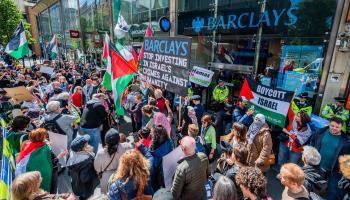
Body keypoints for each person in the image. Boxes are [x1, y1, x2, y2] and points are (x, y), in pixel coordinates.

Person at [310, 116, 350, 200]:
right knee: (315, 186)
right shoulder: (320, 132)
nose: (334, 128)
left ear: (341, 127)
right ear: (329, 124)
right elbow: (313, 142)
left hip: (334, 171)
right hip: (318, 166)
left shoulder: (346, 140)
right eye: (332, 126)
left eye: (337, 127)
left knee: (332, 191)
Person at [16, 128, 58, 193]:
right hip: (32, 181)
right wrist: (60, 156)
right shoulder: (43, 150)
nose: (46, 137)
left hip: (22, 176)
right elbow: (47, 168)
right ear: (41, 138)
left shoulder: (27, 144)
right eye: (44, 136)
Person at [94, 128, 133, 194]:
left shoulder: (100, 154)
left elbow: (97, 168)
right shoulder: (128, 147)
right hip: (123, 175)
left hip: (107, 180)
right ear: (118, 139)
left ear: (106, 141)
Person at [67, 135, 99, 200]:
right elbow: (84, 178)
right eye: (86, 144)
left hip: (77, 185)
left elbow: (69, 172)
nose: (88, 144)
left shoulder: (72, 155)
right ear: (81, 149)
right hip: (86, 188)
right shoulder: (86, 161)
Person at [11, 171, 76, 200]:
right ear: (31, 190)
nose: (41, 178)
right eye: (37, 180)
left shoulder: (35, 196)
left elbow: (53, 196)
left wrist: (64, 195)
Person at [150, 125, 174, 190]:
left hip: (160, 170)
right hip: (169, 166)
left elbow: (154, 163)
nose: (150, 133)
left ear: (155, 135)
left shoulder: (153, 148)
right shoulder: (169, 141)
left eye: (152, 133)